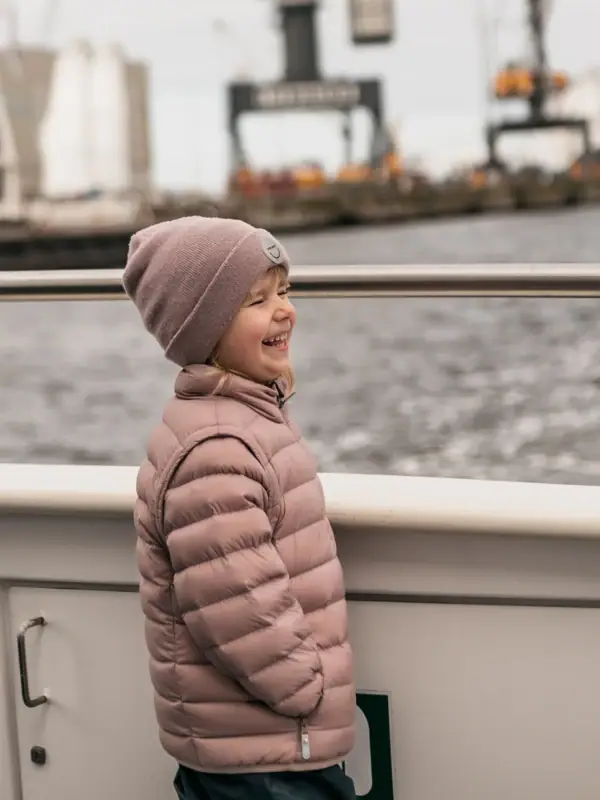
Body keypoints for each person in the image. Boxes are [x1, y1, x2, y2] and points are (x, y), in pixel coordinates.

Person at [122, 216, 357, 800]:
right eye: (257, 300)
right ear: (204, 329)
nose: (284, 311)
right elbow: (233, 605)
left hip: (257, 748)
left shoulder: (241, 420)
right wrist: (306, 691)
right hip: (264, 756)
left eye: (284, 291)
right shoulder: (219, 448)